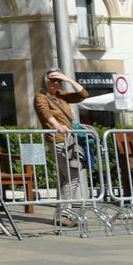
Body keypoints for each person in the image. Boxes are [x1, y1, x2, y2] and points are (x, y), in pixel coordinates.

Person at [34, 68, 89, 204]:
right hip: (58, 139)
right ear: (45, 81)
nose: (56, 83)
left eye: (59, 81)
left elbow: (83, 94)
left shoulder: (61, 95)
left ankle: (62, 212)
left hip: (69, 139)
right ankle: (64, 211)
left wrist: (67, 79)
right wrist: (57, 126)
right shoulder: (40, 97)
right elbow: (45, 113)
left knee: (64, 177)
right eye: (52, 80)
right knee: (73, 176)